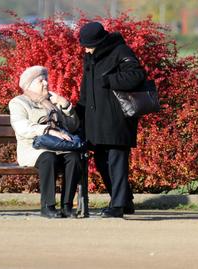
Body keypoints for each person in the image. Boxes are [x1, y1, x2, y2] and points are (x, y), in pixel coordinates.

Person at [76, 22, 146, 218]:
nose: (86, 49)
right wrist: (80, 114)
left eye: (89, 45)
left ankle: (117, 206)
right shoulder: (90, 56)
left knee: (116, 161)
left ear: (99, 41)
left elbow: (137, 75)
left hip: (117, 118)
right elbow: (85, 88)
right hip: (96, 118)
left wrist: (109, 80)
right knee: (100, 161)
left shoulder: (120, 50)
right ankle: (125, 200)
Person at [9, 66, 82, 219]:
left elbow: (73, 126)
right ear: (29, 85)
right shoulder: (19, 102)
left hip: (59, 147)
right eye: (40, 80)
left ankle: (67, 206)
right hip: (33, 149)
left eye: (46, 79)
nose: (46, 83)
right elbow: (21, 126)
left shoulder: (53, 101)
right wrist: (47, 130)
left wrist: (66, 105)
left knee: (74, 157)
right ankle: (48, 206)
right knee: (48, 157)